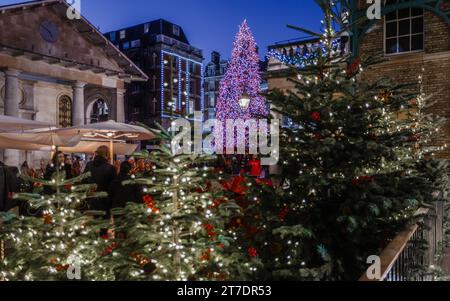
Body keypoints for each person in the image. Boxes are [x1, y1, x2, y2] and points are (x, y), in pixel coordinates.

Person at [83, 146, 116, 214]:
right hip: (105, 202)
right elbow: (113, 188)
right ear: (107, 154)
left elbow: (83, 181)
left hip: (91, 201)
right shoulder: (110, 168)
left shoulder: (89, 165)